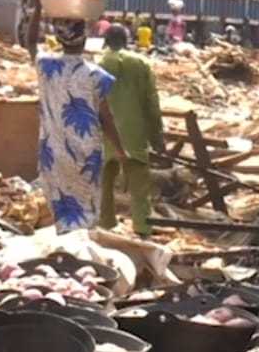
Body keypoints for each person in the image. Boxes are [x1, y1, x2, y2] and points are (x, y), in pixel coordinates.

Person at [26, 14, 129, 233]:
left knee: (60, 201)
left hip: (52, 150)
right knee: (86, 206)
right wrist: (121, 149)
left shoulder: (46, 66)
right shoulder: (96, 75)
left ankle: (65, 248)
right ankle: (81, 249)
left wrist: (37, 7)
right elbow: (106, 117)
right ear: (84, 40)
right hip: (86, 152)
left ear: (60, 40)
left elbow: (30, 42)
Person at [98, 24, 164, 236]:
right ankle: (143, 230)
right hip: (134, 136)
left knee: (103, 185)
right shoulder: (141, 64)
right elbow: (151, 104)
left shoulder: (97, 64)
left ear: (106, 41)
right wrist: (157, 139)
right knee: (140, 189)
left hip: (103, 136)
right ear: (127, 41)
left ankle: (105, 227)